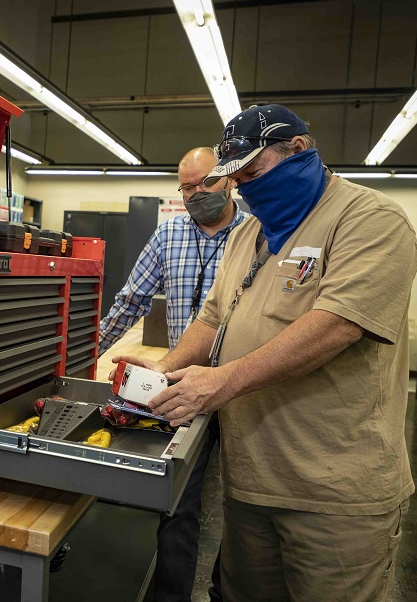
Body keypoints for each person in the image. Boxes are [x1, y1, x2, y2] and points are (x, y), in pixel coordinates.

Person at [113, 104, 417, 602]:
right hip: (252, 480)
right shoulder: (248, 235)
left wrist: (223, 380)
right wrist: (166, 368)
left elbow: (337, 326)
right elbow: (213, 319)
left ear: (298, 150)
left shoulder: (370, 219)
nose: (246, 187)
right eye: (238, 177)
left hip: (332, 492)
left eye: (254, 171)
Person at [99, 146, 249, 602]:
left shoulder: (256, 236)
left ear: (228, 180)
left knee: (245, 506)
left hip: (244, 386)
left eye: (205, 183)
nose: (196, 194)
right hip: (183, 388)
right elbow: (131, 301)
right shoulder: (169, 236)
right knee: (178, 502)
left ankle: (229, 591)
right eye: (186, 187)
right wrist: (84, 352)